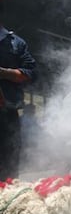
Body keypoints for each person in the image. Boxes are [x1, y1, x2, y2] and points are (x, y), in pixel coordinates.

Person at [0, 24, 36, 180]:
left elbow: (31, 73)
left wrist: (3, 73)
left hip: (7, 116)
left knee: (9, 172)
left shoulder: (16, 42)